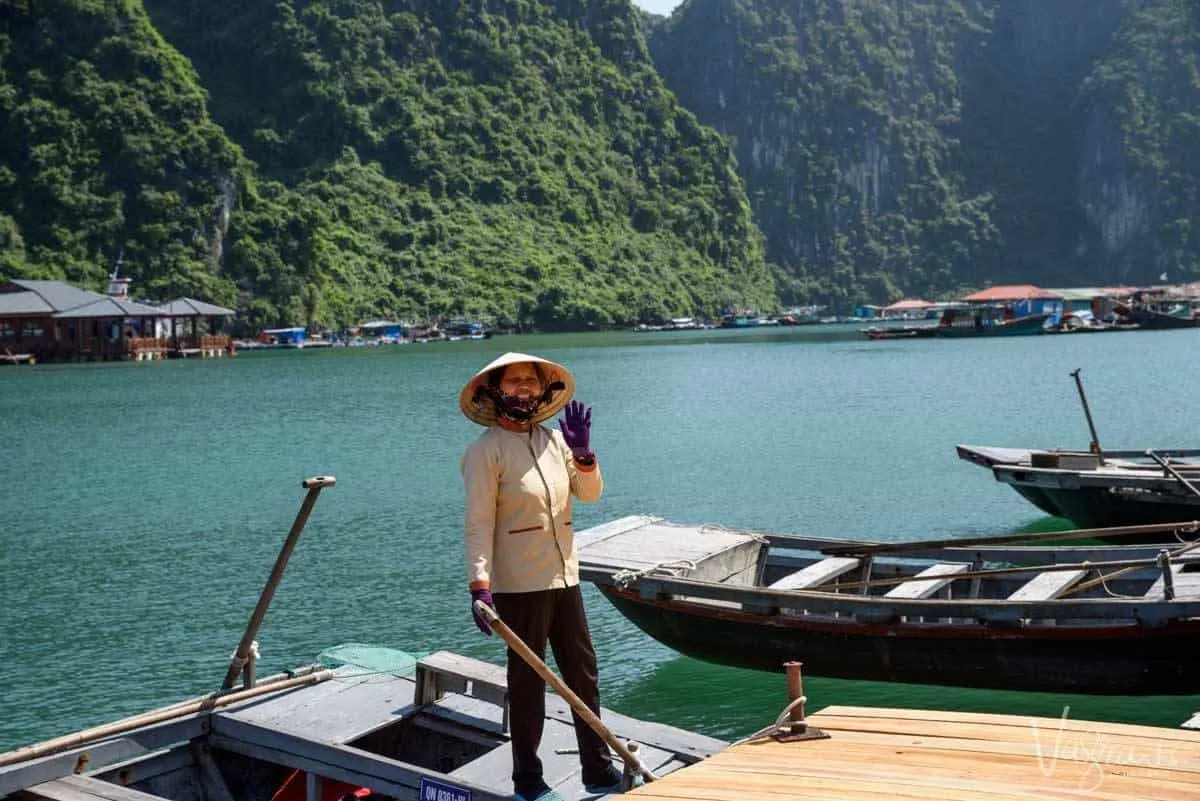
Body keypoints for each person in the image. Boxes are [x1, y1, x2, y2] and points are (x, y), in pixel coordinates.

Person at [459, 352, 622, 801]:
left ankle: (598, 768)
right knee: (528, 683)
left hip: (564, 578)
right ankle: (528, 778)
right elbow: (477, 524)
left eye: (531, 381)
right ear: (495, 392)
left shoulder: (556, 442)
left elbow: (588, 495)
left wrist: (585, 456)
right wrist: (480, 586)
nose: (525, 389)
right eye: (514, 382)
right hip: (518, 585)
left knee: (583, 675)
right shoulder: (485, 452)